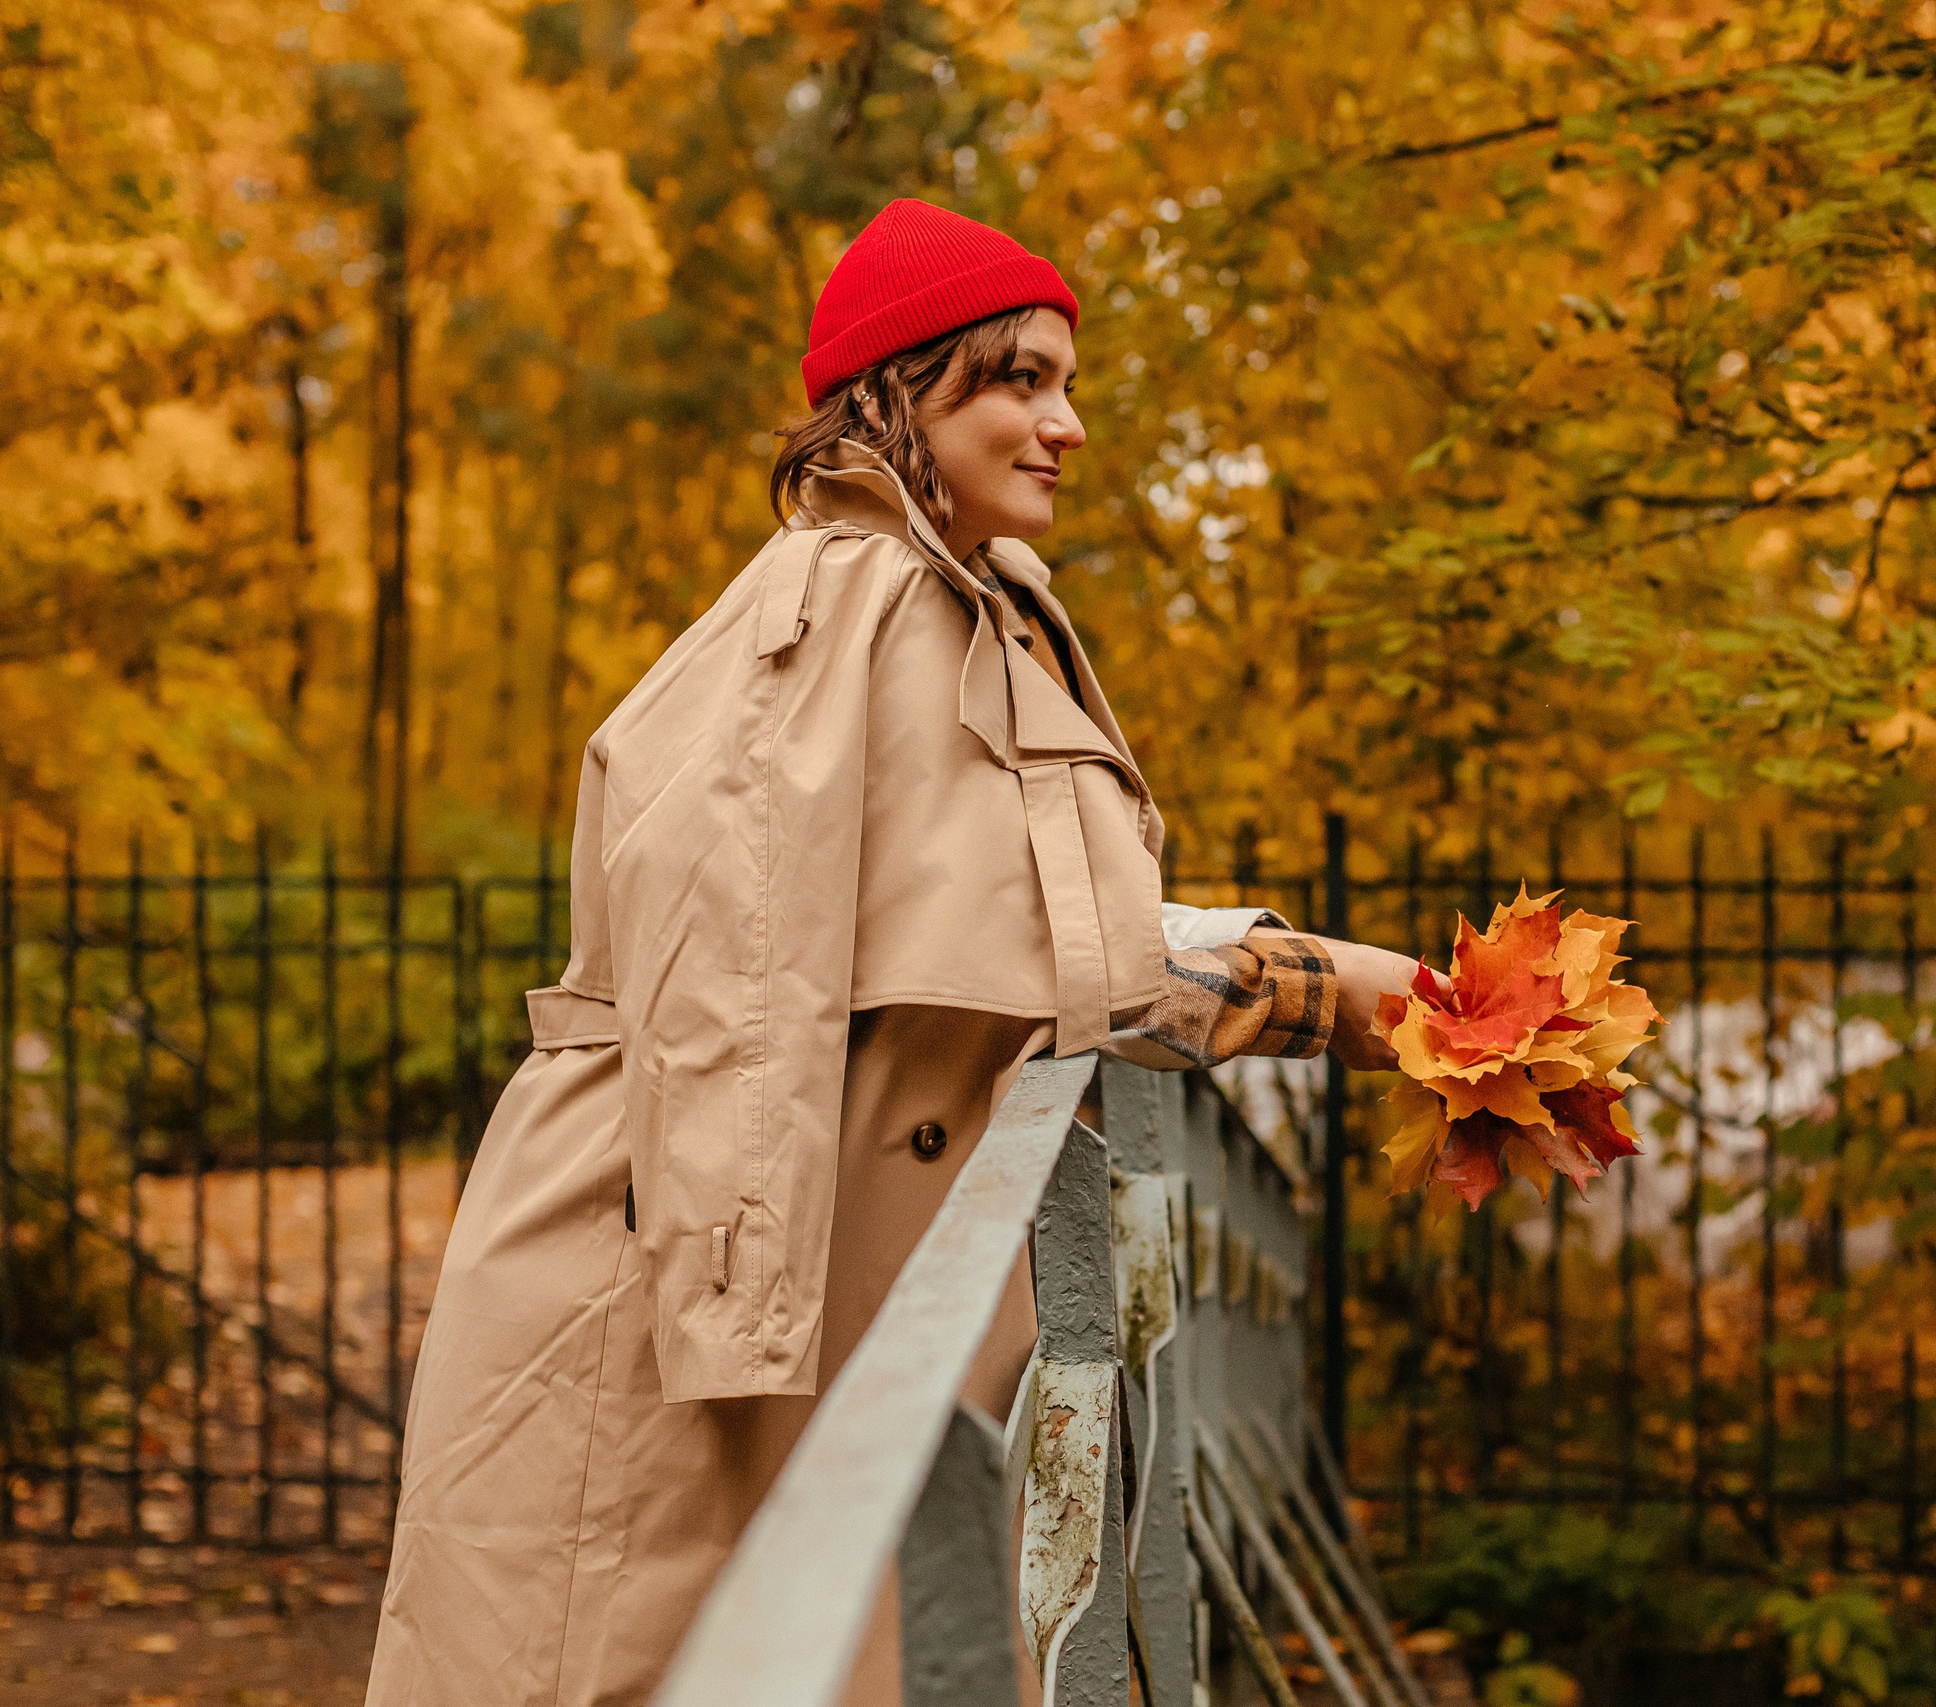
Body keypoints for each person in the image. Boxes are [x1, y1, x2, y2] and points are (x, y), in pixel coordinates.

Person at [364, 198, 1414, 1707]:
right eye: (1019, 380)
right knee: (620, 1651)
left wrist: (1364, 997)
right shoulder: (838, 607)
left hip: (817, 1240)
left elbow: (1029, 919)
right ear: (897, 390)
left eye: (1067, 383)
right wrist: (1340, 997)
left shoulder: (951, 602)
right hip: (680, 1252)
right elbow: (731, 969)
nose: (1065, 424)